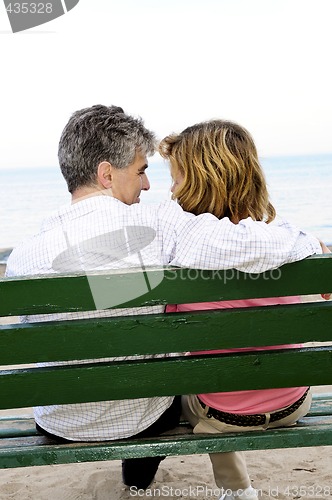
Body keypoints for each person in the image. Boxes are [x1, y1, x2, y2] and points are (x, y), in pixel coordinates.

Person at [5, 106, 322, 491]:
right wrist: (309, 243)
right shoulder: (159, 225)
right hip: (142, 419)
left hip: (57, 421)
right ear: (107, 174)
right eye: (141, 171)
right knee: (162, 379)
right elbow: (246, 243)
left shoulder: (24, 255)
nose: (148, 186)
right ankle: (139, 480)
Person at [159, 119, 329, 500]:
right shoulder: (288, 244)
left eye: (175, 178)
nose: (169, 190)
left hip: (221, 415)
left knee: (191, 387)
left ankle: (237, 489)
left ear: (200, 179)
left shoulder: (182, 253)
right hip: (295, 400)